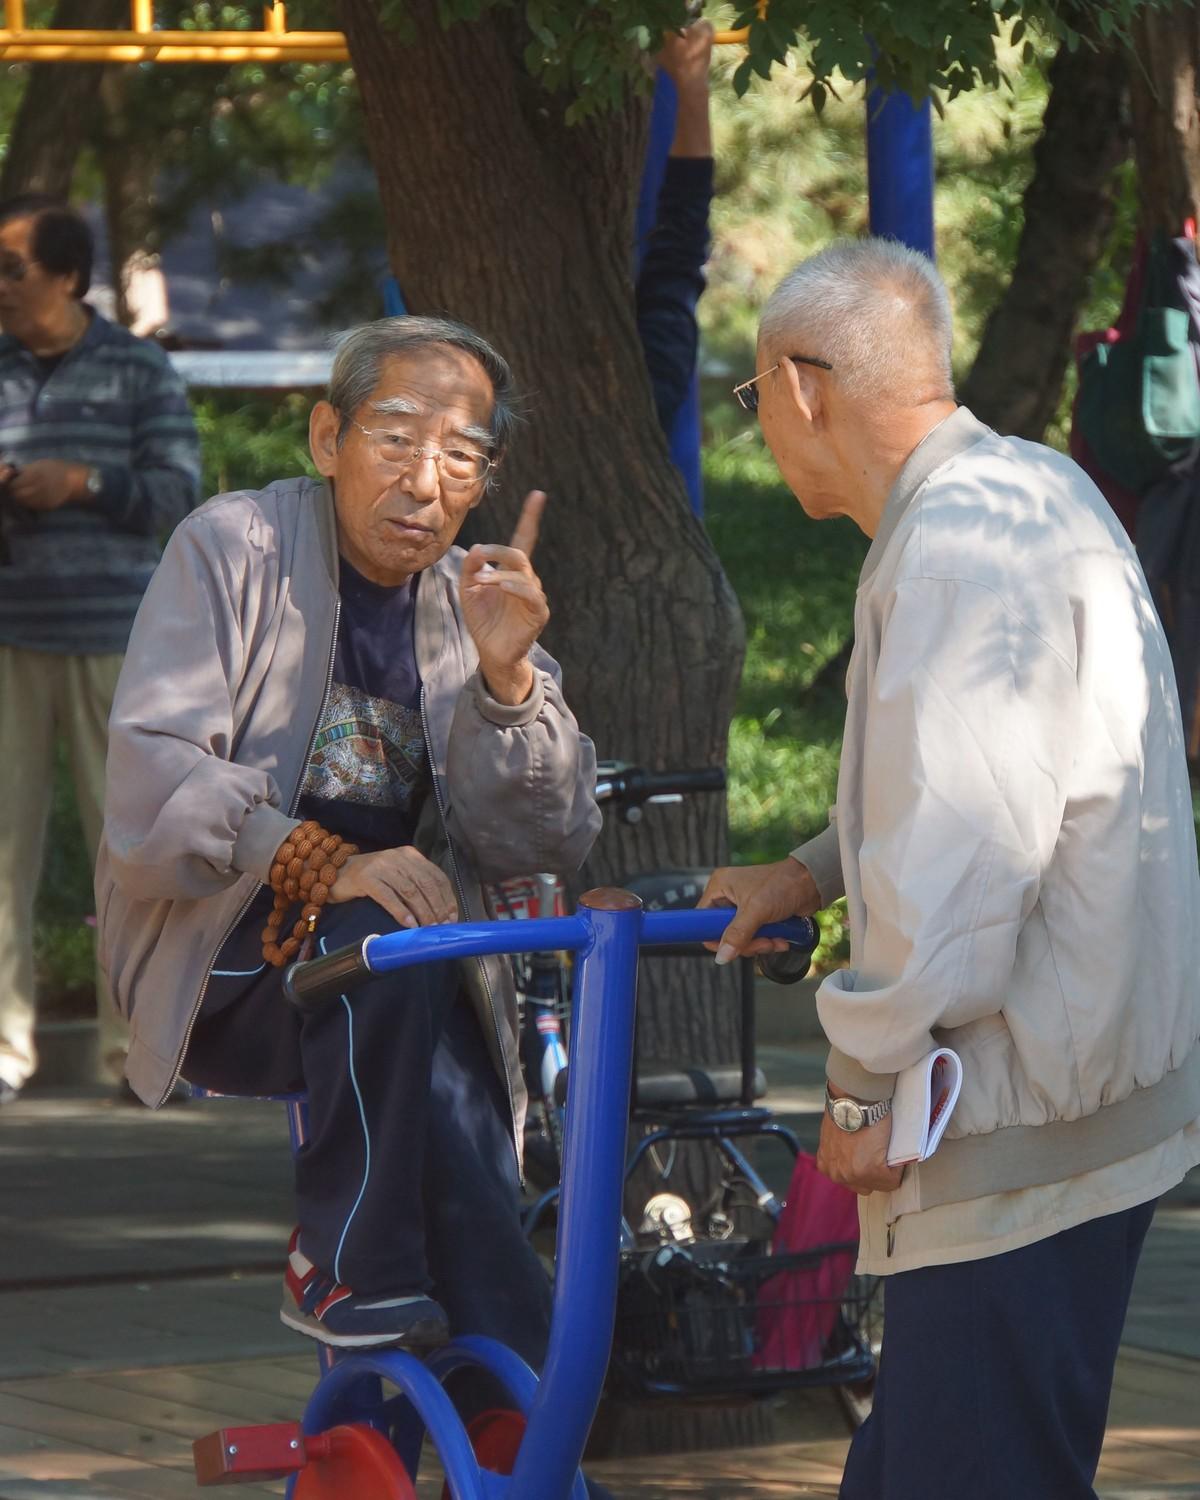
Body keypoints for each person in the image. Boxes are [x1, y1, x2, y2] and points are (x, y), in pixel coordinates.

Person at [701, 239, 1200, 1499]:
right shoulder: (1028, 483)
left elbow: (963, 853)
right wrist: (811, 872)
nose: (762, 428)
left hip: (1012, 1126)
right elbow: (997, 781)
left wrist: (864, 1083)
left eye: (753, 400)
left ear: (805, 388)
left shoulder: (948, 548)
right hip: (1085, 1097)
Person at [95, 317, 600, 1367]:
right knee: (378, 923)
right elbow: (153, 772)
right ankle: (344, 1266)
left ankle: (515, 1410)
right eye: (397, 440)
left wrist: (510, 685)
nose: (426, 481)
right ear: (327, 439)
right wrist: (319, 860)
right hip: (226, 958)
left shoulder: (470, 604)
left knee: (467, 1149)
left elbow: (543, 837)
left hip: (400, 974)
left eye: (461, 456)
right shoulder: (235, 548)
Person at [0, 193, 200, 1104]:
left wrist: (79, 482)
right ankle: (7, 1054)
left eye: (12, 269)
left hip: (117, 644)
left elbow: (174, 495)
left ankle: (140, 1056)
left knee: (130, 853)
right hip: (9, 637)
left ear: (70, 277)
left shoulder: (136, 370)